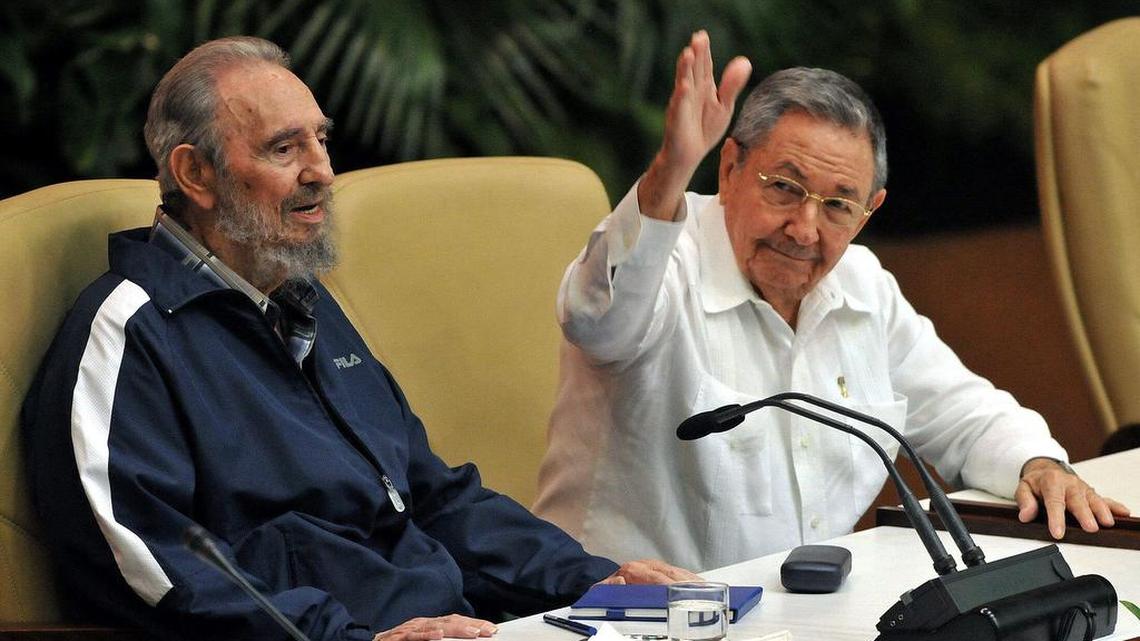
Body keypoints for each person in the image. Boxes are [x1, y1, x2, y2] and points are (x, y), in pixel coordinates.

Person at [21, 36, 697, 641]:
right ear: (196, 174)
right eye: (284, 148)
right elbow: (155, 568)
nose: (321, 171)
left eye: (321, 140)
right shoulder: (129, 331)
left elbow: (431, 499)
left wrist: (591, 583)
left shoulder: (302, 304)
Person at [532, 30, 1131, 572]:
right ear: (732, 165)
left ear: (869, 212)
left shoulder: (862, 284)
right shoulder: (669, 260)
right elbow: (598, 322)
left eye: (839, 205)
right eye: (785, 189)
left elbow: (967, 416)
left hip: (805, 615)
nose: (804, 229)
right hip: (625, 616)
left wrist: (1040, 465)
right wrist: (670, 169)